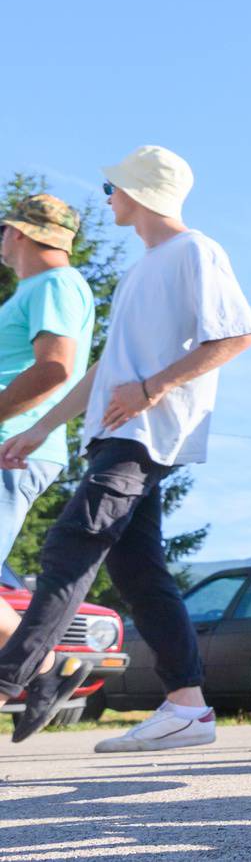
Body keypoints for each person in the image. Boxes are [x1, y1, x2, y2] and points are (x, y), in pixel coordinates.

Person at [0, 147, 251, 749]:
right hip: (112, 434)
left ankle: (13, 676)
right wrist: (42, 428)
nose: (107, 197)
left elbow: (239, 334)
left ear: (140, 192)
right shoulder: (141, 268)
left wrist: (152, 388)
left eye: (112, 186)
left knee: (73, 543)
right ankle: (187, 706)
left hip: (144, 434)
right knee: (138, 571)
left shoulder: (195, 250)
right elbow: (103, 371)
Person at [0, 196, 97, 666]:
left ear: (17, 233)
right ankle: (38, 662)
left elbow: (55, 368)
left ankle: (39, 661)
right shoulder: (38, 288)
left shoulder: (56, 284)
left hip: (11, 447)